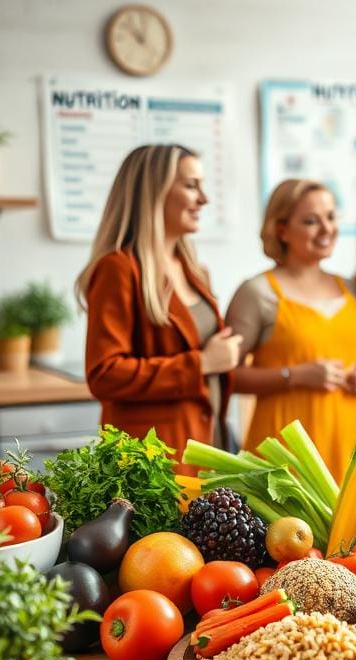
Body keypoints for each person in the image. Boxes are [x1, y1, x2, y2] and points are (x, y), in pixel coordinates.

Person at [78, 144, 242, 470]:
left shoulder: (194, 269)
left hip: (207, 443)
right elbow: (104, 374)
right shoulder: (118, 268)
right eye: (192, 185)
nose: (204, 199)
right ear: (153, 191)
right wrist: (201, 364)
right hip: (156, 460)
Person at [225, 179, 356, 482]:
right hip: (284, 456)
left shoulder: (350, 287)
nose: (326, 229)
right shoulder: (257, 292)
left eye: (331, 217)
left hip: (350, 447)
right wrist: (295, 376)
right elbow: (226, 376)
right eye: (311, 221)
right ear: (282, 230)